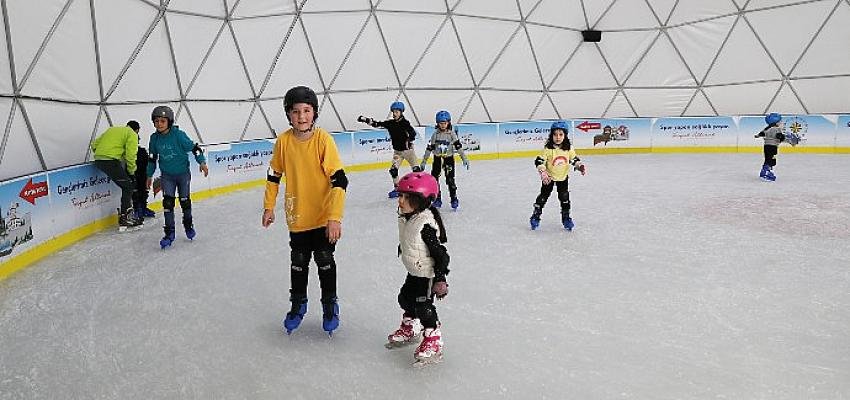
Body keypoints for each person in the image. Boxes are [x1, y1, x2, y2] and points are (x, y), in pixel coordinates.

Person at [261, 86, 348, 336]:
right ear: (289, 114)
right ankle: (298, 305)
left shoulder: (323, 140)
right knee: (298, 263)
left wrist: (334, 217)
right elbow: (274, 175)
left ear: (314, 113)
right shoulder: (284, 142)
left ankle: (330, 305)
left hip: (322, 217)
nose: (302, 117)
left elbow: (339, 181)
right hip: (297, 217)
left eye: (307, 111)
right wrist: (269, 206)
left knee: (324, 261)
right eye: (296, 111)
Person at [385, 171, 450, 365]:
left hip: (426, 273)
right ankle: (411, 326)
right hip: (413, 270)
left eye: (407, 198)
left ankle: (433, 338)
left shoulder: (426, 225)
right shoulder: (407, 217)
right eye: (400, 196)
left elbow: (441, 255)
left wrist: (440, 278)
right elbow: (410, 239)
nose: (401, 201)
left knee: (424, 306)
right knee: (405, 298)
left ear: (421, 202)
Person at [145, 105, 209, 248]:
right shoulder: (154, 138)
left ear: (169, 122)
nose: (159, 124)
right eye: (156, 121)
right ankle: (169, 233)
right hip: (167, 176)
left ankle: (188, 226)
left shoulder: (178, 135)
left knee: (184, 201)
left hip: (182, 175)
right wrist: (149, 175)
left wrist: (202, 162)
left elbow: (195, 149)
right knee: (168, 203)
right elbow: (152, 158)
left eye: (162, 121)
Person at [529, 121, 586, 231]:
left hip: (563, 177)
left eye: (561, 134)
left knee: (564, 197)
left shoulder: (569, 148)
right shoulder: (548, 149)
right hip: (549, 177)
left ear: (565, 136)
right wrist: (543, 172)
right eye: (555, 134)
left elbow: (574, 159)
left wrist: (580, 166)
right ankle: (536, 215)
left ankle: (566, 218)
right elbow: (539, 161)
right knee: (543, 197)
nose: (558, 137)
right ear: (551, 135)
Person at [357, 101, 420, 198]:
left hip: (408, 152)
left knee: (416, 170)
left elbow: (413, 134)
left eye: (397, 112)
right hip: (398, 153)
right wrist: (366, 120)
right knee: (393, 170)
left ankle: (417, 189)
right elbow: (377, 124)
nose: (394, 114)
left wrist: (409, 140)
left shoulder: (405, 123)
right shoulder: (391, 123)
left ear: (401, 112)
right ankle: (397, 188)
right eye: (393, 112)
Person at [91, 120, 142, 230]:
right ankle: (125, 217)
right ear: (137, 130)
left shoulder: (113, 129)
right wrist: (132, 172)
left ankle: (125, 214)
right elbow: (130, 155)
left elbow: (94, 144)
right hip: (110, 161)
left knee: (126, 185)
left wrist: (101, 153)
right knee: (128, 186)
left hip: (99, 160)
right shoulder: (132, 134)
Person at [419, 110, 469, 210]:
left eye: (445, 123)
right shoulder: (435, 135)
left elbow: (458, 147)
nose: (443, 125)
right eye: (441, 123)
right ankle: (438, 198)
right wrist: (424, 161)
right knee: (435, 179)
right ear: (437, 123)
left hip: (448, 159)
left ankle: (454, 199)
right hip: (437, 159)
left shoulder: (452, 134)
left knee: (450, 180)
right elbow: (429, 148)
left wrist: (464, 158)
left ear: (448, 123)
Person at [754, 112, 785, 181]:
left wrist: (758, 135)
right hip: (772, 146)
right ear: (775, 122)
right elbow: (779, 136)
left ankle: (763, 171)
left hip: (766, 146)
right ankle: (766, 172)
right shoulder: (776, 129)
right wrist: (782, 137)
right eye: (780, 121)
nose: (781, 123)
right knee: (771, 160)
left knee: (767, 159)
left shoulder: (767, 128)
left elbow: (762, 133)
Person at [133, 134, 156, 221]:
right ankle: (137, 209)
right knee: (135, 192)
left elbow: (148, 162)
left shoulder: (142, 151)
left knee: (144, 191)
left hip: (143, 175)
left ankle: (143, 207)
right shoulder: (127, 151)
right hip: (133, 175)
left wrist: (148, 174)